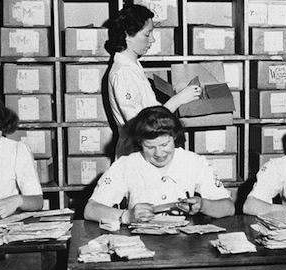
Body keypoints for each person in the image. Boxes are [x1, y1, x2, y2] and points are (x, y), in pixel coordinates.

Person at [84, 106, 235, 224]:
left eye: (164, 144)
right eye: (150, 147)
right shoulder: (126, 165)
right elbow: (91, 209)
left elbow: (228, 207)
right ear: (140, 143)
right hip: (141, 244)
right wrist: (126, 216)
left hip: (184, 247)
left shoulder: (194, 162)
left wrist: (203, 205)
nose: (159, 153)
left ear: (174, 137)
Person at [105, 4, 201, 158]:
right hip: (138, 151)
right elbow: (140, 126)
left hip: (148, 147)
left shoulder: (132, 65)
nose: (153, 39)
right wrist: (177, 100)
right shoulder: (123, 73)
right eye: (147, 34)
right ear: (128, 36)